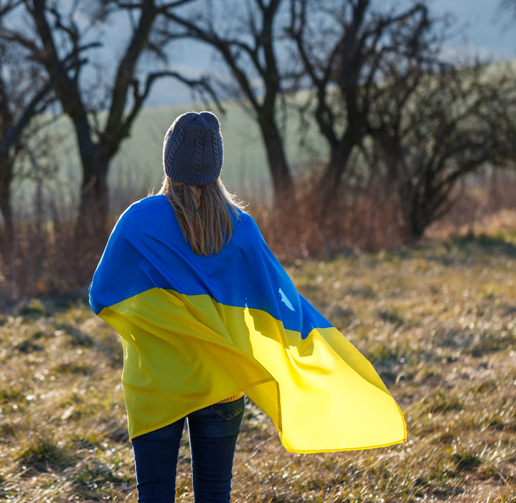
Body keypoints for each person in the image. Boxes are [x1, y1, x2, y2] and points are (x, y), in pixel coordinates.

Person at [89, 111, 406, 503]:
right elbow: (277, 300)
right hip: (224, 381)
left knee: (154, 497)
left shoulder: (137, 222)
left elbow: (101, 295)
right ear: (216, 166)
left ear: (168, 161)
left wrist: (162, 322)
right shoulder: (241, 228)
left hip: (156, 382)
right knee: (215, 495)